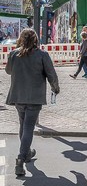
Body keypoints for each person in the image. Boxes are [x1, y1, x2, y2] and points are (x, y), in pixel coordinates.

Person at [5, 28, 60, 176]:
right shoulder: (42, 55)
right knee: (28, 127)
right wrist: (55, 88)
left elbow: (8, 71)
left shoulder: (14, 54)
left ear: (21, 39)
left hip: (18, 96)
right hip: (34, 97)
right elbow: (51, 74)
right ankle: (20, 159)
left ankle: (27, 152)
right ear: (35, 39)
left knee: (23, 125)